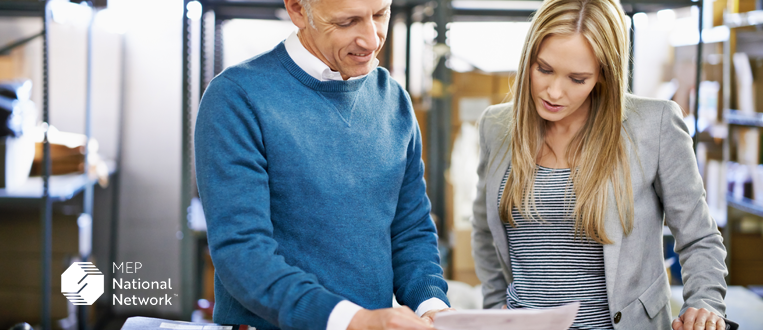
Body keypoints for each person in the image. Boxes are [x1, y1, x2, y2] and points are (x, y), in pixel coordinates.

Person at [470, 0, 732, 329]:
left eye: (577, 79)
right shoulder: (496, 126)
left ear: (603, 76)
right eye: (544, 69)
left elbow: (699, 237)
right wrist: (496, 310)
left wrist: (704, 302)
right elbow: (484, 231)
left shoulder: (655, 125)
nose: (553, 91)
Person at [194, 0, 452, 329]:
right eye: (347, 23)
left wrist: (430, 303)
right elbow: (243, 252)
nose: (372, 39)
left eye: (379, 14)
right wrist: (351, 320)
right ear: (299, 10)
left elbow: (410, 230)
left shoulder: (393, 99)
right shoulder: (237, 98)